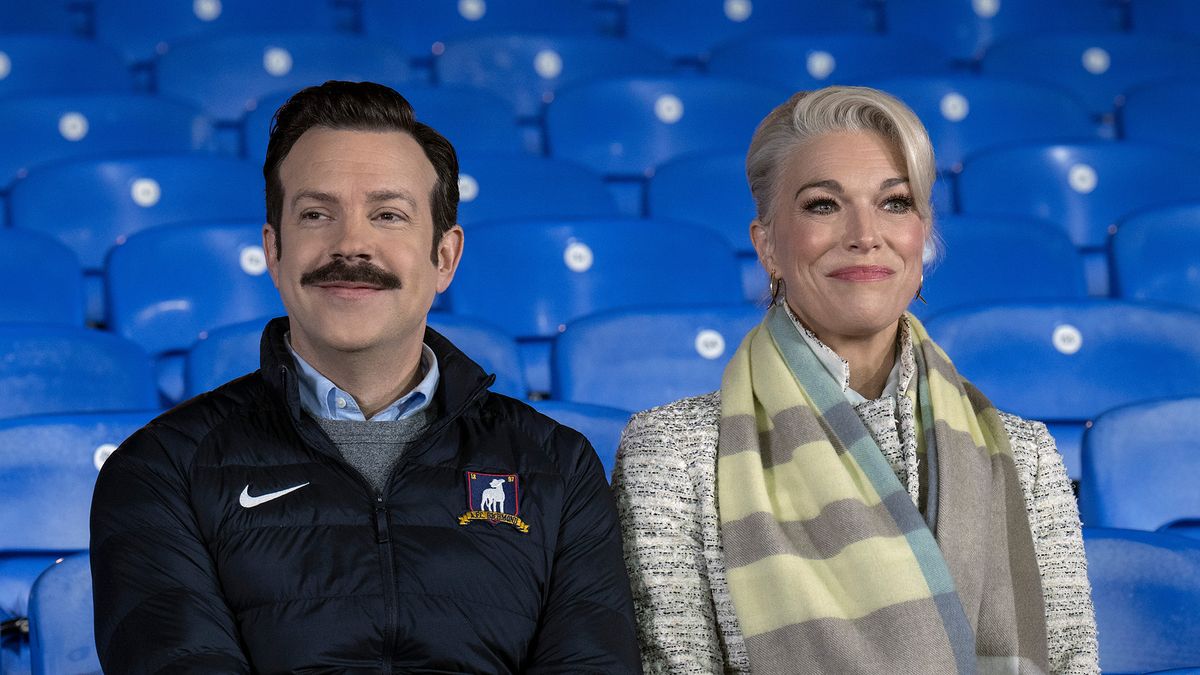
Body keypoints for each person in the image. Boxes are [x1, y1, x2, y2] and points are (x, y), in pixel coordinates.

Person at [90, 80, 640, 674]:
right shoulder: (162, 469)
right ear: (274, 252)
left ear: (445, 258)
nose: (351, 243)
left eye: (388, 214)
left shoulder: (556, 466)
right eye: (316, 213)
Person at [612, 86, 1098, 674]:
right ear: (767, 245)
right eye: (823, 204)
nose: (865, 233)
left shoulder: (1027, 455)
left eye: (895, 203)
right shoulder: (672, 454)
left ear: (922, 236)